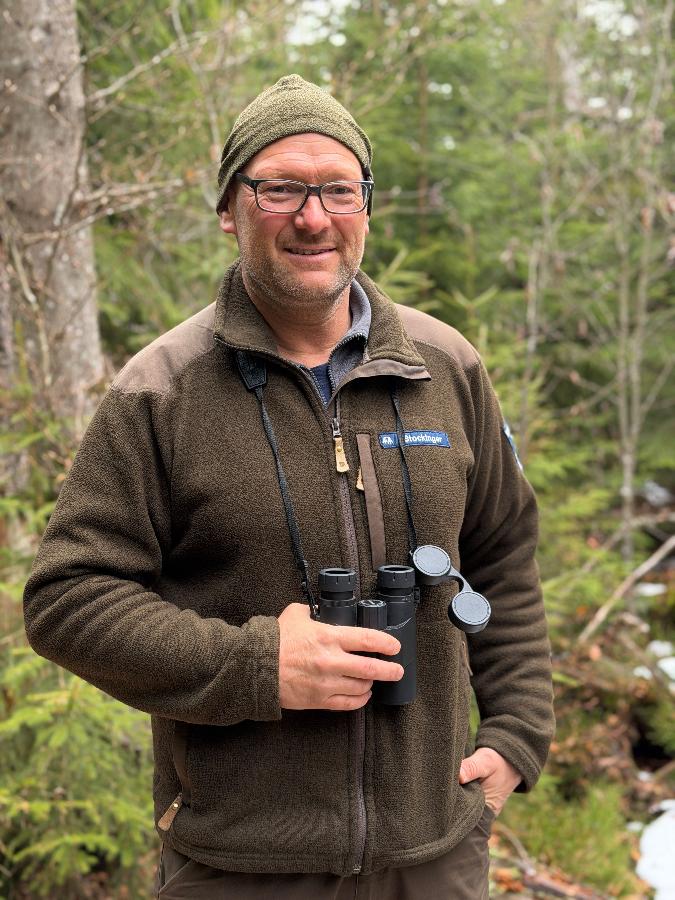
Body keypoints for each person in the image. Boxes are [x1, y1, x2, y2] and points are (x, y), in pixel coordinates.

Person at [24, 75, 554, 899]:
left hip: (435, 855)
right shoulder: (160, 392)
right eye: (279, 189)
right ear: (230, 210)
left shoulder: (444, 367)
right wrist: (257, 664)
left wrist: (518, 735)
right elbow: (68, 600)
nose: (313, 217)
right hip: (238, 865)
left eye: (337, 189)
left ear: (366, 210)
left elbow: (503, 556)